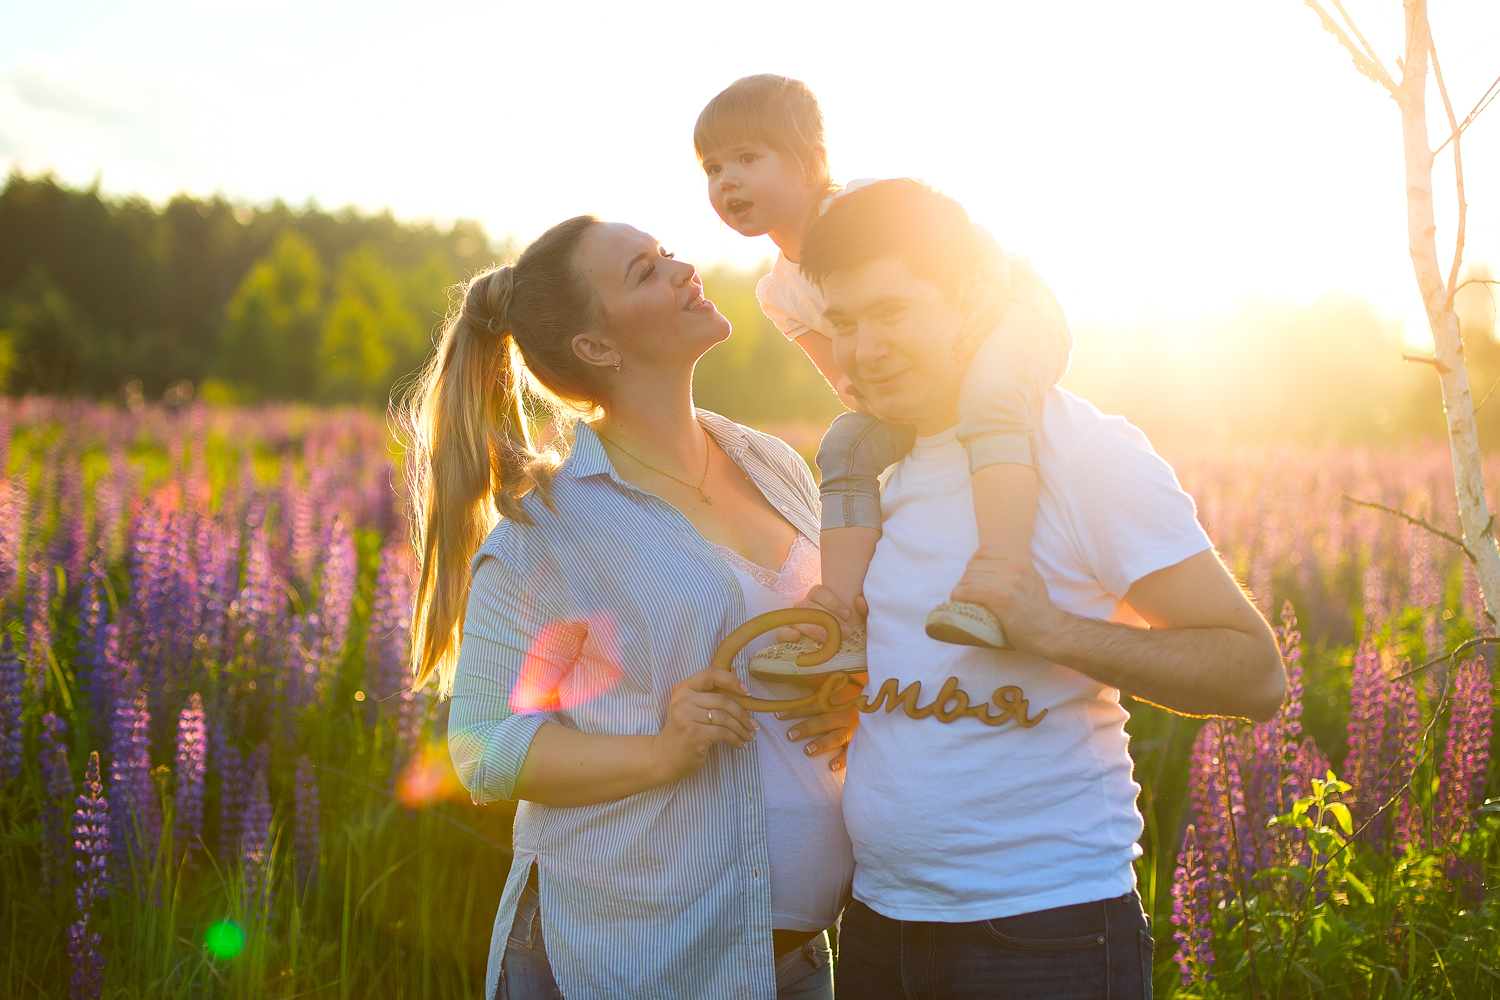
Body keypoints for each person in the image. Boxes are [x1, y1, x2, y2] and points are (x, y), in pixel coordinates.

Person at [792, 179, 1288, 999]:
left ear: (974, 302)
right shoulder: (875, 468)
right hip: (879, 920)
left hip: (1044, 932)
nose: (864, 349)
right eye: (843, 322)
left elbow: (1253, 673)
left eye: (893, 312)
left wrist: (1050, 629)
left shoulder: (1084, 454)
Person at [403, 215, 858, 1000]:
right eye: (645, 271)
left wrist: (848, 692)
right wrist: (659, 751)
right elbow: (482, 744)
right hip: (628, 958)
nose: (681, 268)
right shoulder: (547, 528)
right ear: (597, 348)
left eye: (666, 253)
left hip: (791, 959)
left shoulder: (773, 463)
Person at [693, 75, 1073, 676]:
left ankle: (1002, 583)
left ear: (812, 162)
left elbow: (977, 242)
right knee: (846, 442)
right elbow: (849, 383)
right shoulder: (778, 293)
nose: (726, 180)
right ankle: (841, 619)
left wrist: (983, 312)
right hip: (931, 368)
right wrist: (873, 395)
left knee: (993, 394)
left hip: (1006, 305)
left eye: (747, 158)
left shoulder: (865, 205)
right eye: (712, 167)